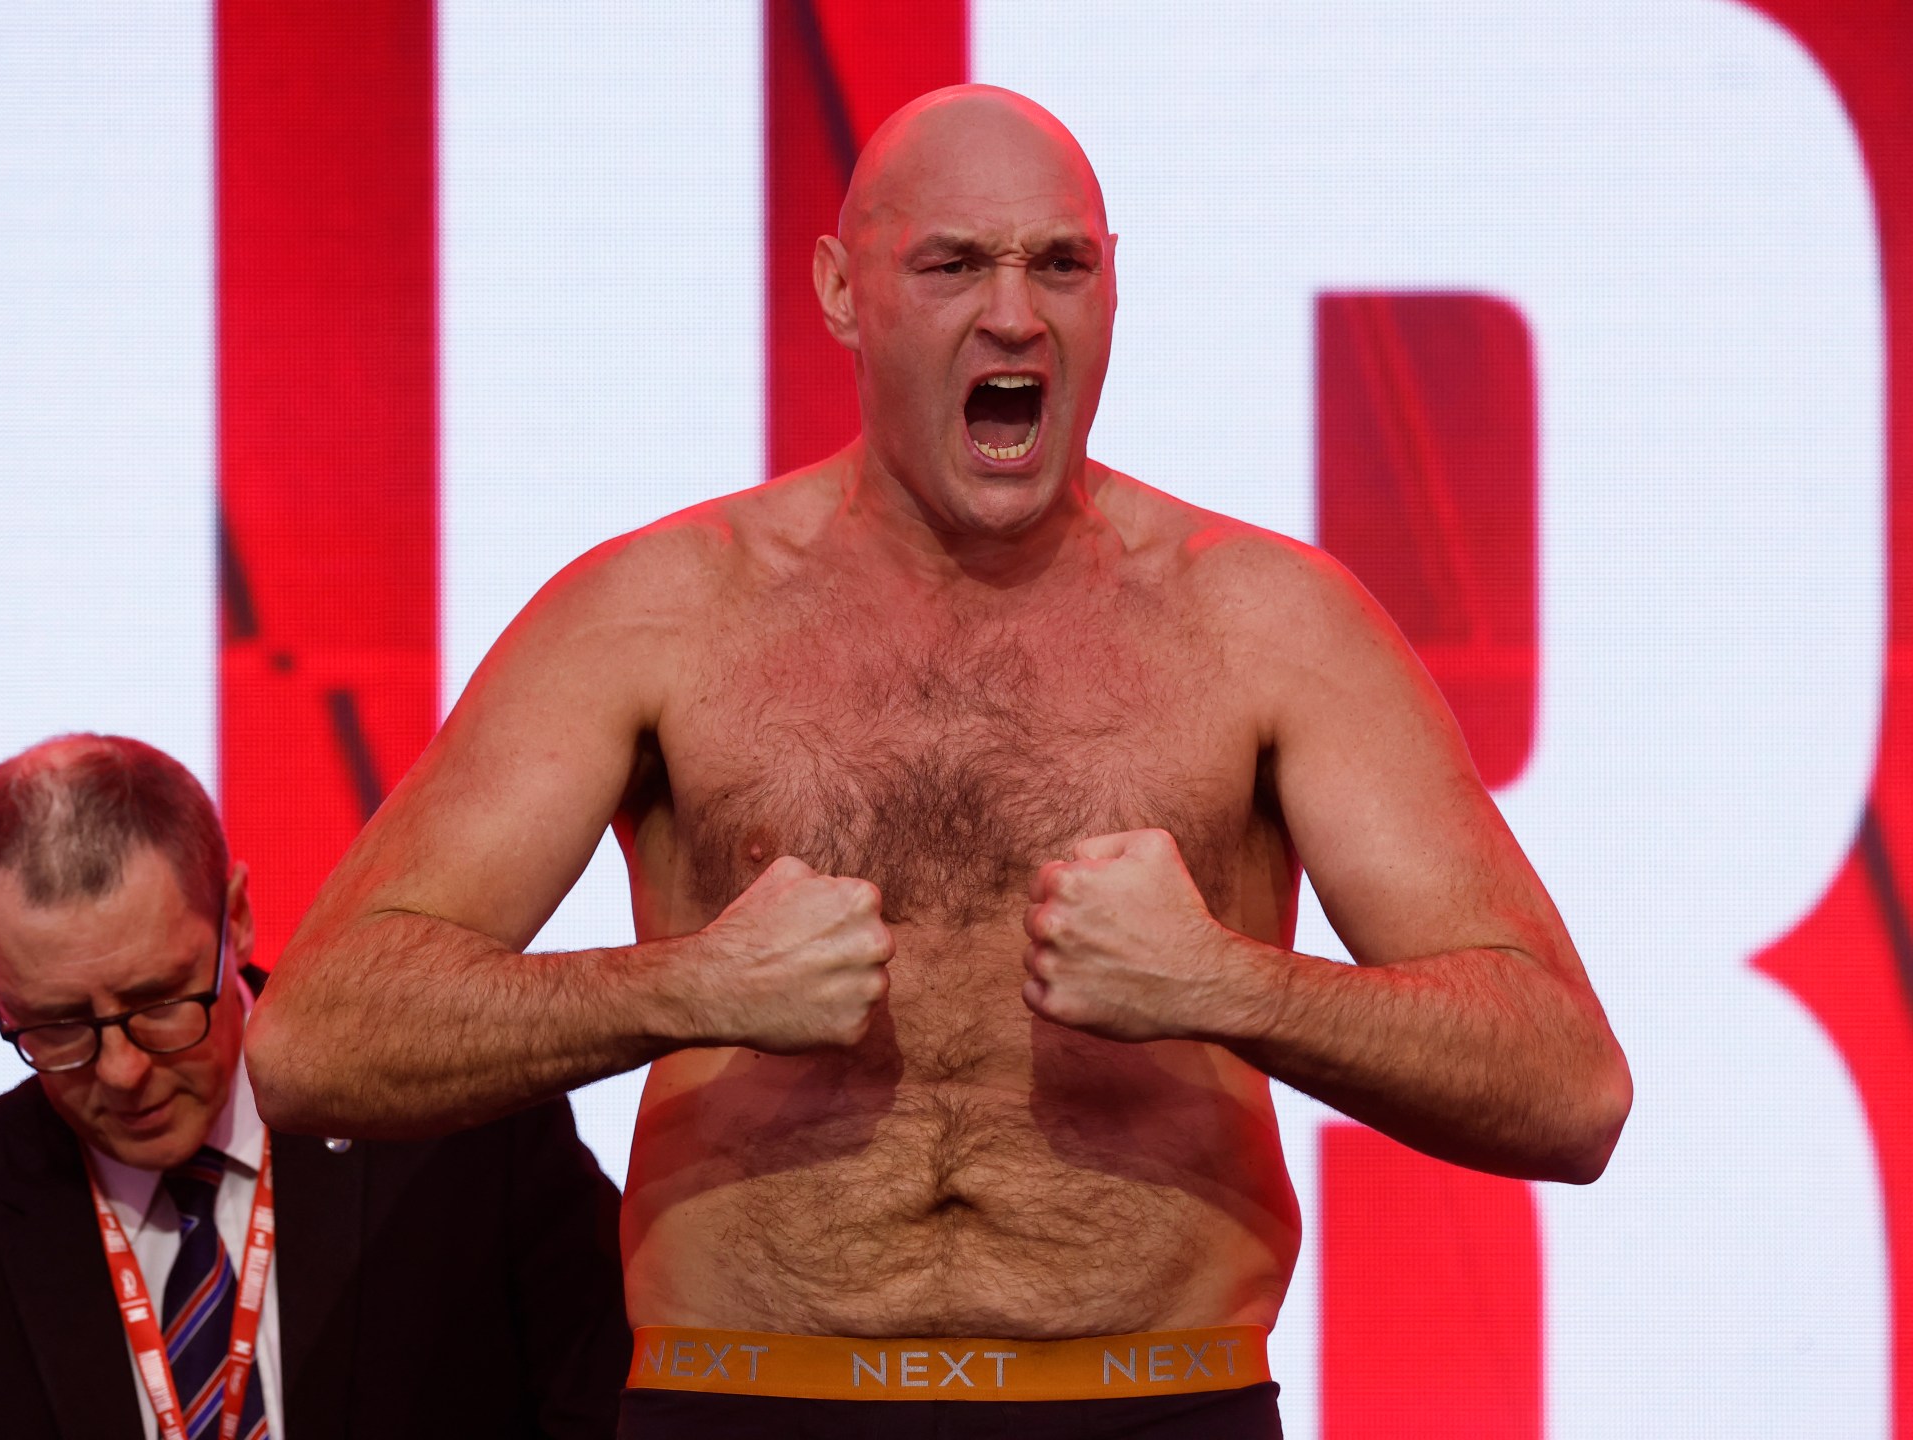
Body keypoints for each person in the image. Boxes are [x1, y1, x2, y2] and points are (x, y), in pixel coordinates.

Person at [247, 86, 1631, 1438]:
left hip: (1151, 1404)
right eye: (955, 264)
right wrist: (688, 987)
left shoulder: (1269, 625)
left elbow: (1568, 1091)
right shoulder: (657, 615)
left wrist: (1225, 983)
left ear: (1112, 290)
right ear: (842, 293)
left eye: (1062, 265)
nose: (1016, 313)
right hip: (749, 1403)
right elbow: (317, 1045)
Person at [0, 734, 631, 1438]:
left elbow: (608, 1405)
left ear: (236, 920)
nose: (121, 1071)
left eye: (159, 1002)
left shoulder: (456, 1112)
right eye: (57, 1025)